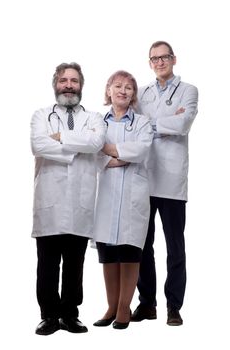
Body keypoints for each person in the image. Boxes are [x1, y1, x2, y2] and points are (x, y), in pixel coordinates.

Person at [30, 62, 106, 335]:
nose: (69, 86)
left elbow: (96, 143)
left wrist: (61, 138)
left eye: (74, 81)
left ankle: (70, 315)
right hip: (49, 201)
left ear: (81, 85)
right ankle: (48, 316)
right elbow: (38, 144)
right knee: (47, 264)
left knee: (75, 263)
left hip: (80, 203)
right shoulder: (41, 115)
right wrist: (77, 143)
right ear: (56, 84)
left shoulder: (94, 118)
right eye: (64, 80)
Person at [131, 41, 198, 326]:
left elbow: (183, 125)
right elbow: (134, 125)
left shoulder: (188, 90)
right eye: (154, 58)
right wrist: (166, 122)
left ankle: (174, 305)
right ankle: (147, 304)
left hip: (171, 180)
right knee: (142, 245)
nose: (160, 62)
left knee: (175, 246)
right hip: (144, 177)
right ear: (150, 63)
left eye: (164, 57)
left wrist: (152, 126)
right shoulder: (141, 93)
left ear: (174, 59)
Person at [92, 70, 153, 330]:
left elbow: (141, 150)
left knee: (129, 251)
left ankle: (124, 307)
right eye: (117, 86)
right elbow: (92, 149)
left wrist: (111, 151)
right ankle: (110, 305)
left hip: (132, 195)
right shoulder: (97, 122)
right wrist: (116, 155)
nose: (123, 91)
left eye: (129, 88)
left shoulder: (142, 122)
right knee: (108, 251)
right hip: (105, 193)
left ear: (133, 95)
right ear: (108, 91)